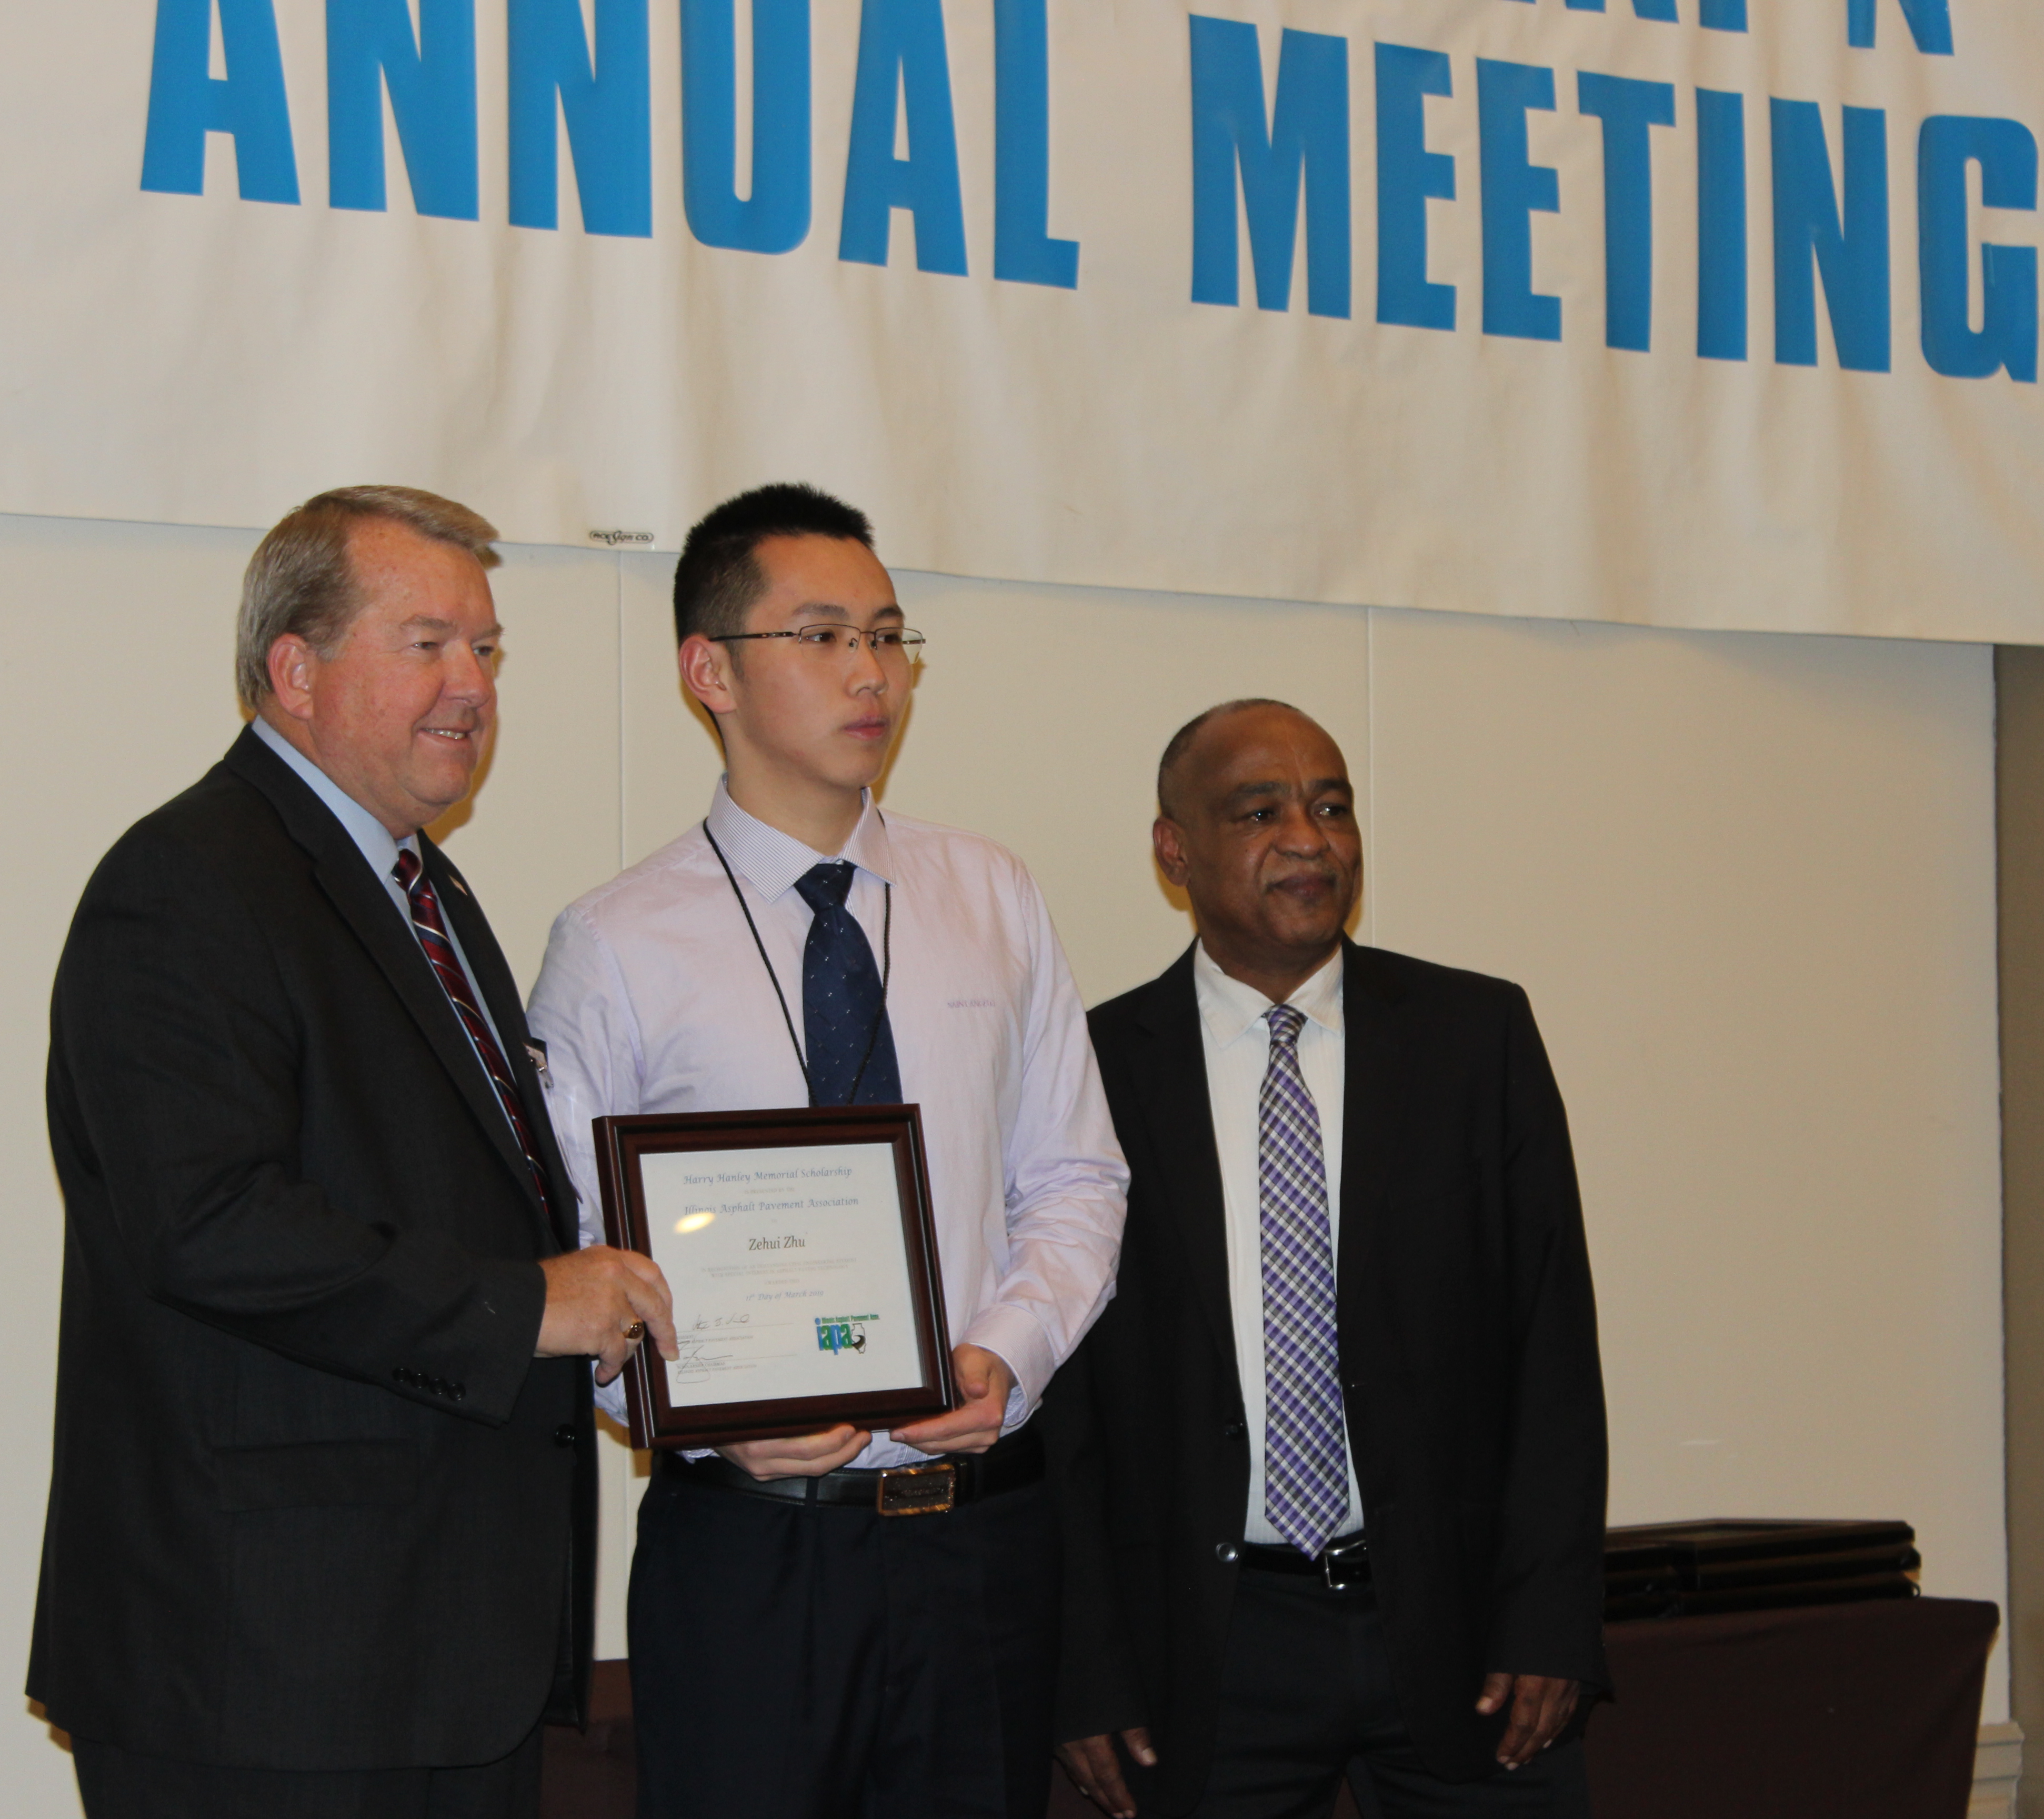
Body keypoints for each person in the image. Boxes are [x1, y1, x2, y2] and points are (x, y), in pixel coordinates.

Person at [29, 485, 674, 1818]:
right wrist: (530, 1304)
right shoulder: (188, 883)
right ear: (294, 670)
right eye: (426, 642)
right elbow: (209, 1223)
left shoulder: (423, 890)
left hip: (437, 1658)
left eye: (487, 651)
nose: (471, 687)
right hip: (268, 1673)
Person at [528, 481, 1130, 1819]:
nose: (871, 674)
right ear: (710, 672)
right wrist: (692, 1419)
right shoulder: (617, 941)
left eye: (890, 635)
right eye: (821, 637)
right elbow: (576, 1255)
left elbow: (1079, 1179)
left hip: (980, 1538)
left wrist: (1009, 1355)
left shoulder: (991, 894)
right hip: (754, 1555)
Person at [1046, 699, 1609, 1818]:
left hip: (1462, 1641)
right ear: (1175, 850)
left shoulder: (1475, 1038)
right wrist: (1084, 1672)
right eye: (1259, 811)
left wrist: (1552, 1620)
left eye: (1333, 805)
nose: (1310, 838)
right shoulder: (1090, 1069)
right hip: (1208, 1655)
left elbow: (1552, 1344)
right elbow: (1065, 1410)